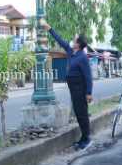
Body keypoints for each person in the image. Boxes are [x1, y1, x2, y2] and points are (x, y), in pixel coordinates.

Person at [40, 19, 93, 150]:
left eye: (74, 40)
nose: (72, 41)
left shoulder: (82, 57)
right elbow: (60, 41)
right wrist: (49, 29)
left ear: (78, 44)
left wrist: (89, 93)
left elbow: (88, 77)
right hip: (73, 89)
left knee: (82, 114)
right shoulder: (71, 52)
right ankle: (83, 137)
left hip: (80, 90)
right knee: (78, 113)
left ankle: (87, 139)